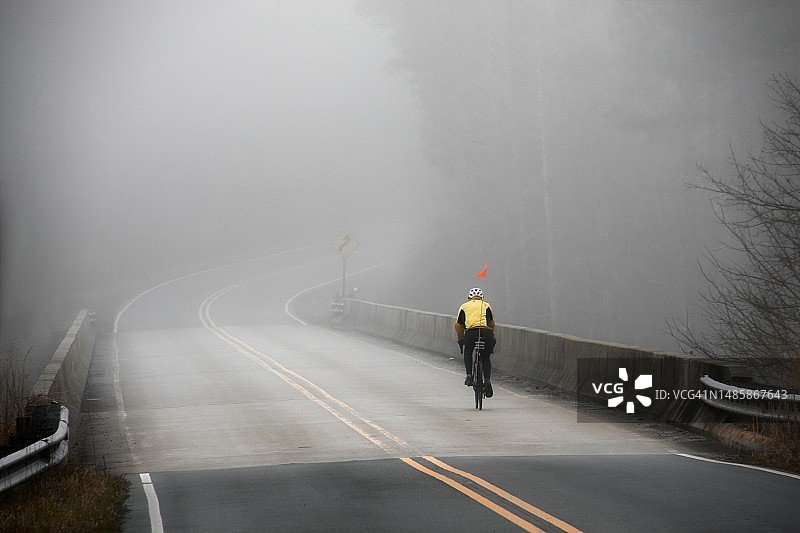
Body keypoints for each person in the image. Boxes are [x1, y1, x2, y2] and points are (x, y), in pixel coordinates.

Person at [454, 287, 496, 398]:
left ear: (469, 298)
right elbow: (491, 323)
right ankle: (487, 380)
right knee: (486, 357)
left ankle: (469, 376)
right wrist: (492, 337)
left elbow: (459, 325)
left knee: (468, 351)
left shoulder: (464, 306)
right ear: (482, 297)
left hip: (471, 333)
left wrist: (461, 338)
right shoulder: (486, 305)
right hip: (486, 333)